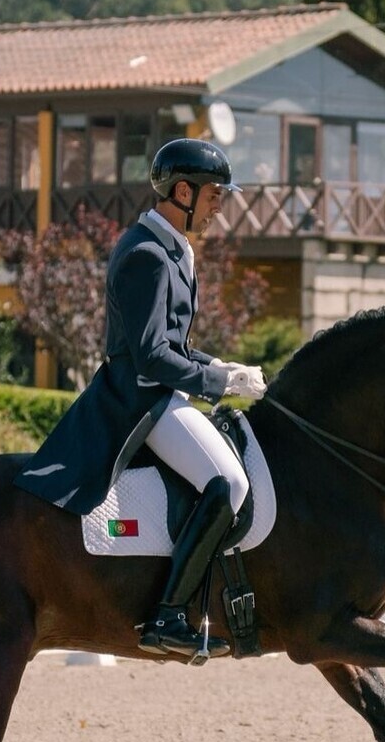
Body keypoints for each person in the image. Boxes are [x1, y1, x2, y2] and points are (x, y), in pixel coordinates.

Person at [16, 137, 267, 659]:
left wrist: (218, 367)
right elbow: (152, 358)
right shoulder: (148, 254)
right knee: (230, 484)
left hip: (166, 392)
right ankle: (168, 616)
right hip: (141, 400)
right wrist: (219, 384)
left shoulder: (176, 250)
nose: (220, 205)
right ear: (183, 191)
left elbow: (175, 345)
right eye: (215, 194)